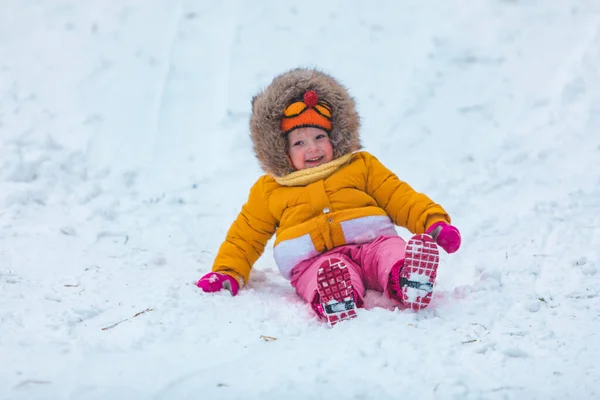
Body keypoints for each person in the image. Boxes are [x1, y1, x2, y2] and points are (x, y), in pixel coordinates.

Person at [196, 68, 461, 326]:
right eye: (299, 143)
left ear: (334, 137)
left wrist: (434, 222)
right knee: (322, 273)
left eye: (319, 136)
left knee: (392, 251)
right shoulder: (270, 189)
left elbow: (399, 195)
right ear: (281, 150)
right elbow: (246, 234)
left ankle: (409, 278)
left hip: (373, 243)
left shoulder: (360, 165)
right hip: (314, 259)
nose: (312, 148)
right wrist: (227, 271)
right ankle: (334, 297)